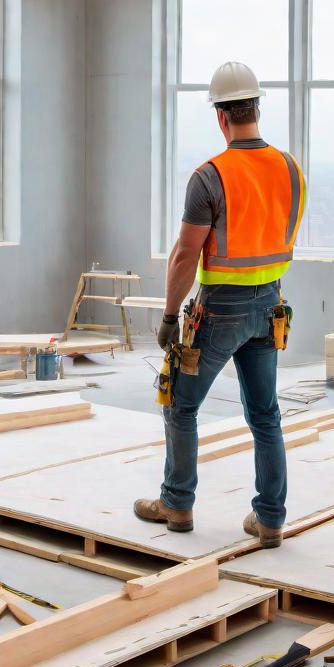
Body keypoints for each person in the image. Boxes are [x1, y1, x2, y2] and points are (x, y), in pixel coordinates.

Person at [134, 62, 306, 548]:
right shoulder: (291, 169)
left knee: (181, 407)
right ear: (255, 108)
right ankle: (270, 518)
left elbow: (186, 253)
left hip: (220, 308)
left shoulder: (210, 177)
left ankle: (177, 503)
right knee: (265, 415)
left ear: (221, 117)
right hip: (271, 304)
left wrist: (170, 317)